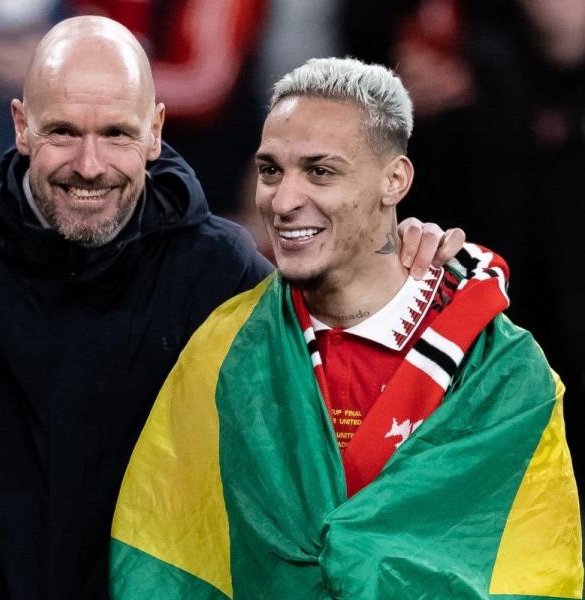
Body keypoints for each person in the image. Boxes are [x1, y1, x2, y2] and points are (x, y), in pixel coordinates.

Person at [0, 18, 464, 600]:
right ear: (19, 127)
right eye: (64, 133)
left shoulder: (221, 274)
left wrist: (399, 256)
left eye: (115, 134)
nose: (89, 164)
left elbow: (345, 365)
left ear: (156, 131)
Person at [110, 57, 582, 599]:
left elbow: (533, 572)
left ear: (394, 180)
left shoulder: (500, 371)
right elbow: (165, 555)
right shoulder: (226, 348)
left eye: (321, 171)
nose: (284, 201)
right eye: (270, 171)